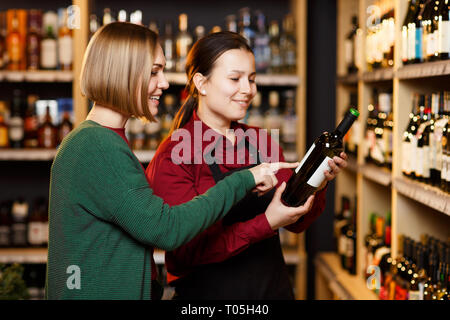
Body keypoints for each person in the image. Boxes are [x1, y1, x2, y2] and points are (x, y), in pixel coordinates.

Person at [45, 23, 307, 300]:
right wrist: (246, 179)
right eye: (154, 72)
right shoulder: (95, 145)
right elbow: (167, 229)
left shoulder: (105, 140)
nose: (165, 82)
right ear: (123, 72)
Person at [146, 31, 348, 299]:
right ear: (201, 82)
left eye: (251, 79)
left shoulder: (260, 142)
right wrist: (266, 222)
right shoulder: (174, 154)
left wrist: (317, 181)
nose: (248, 90)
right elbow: (186, 252)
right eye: (235, 79)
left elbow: (297, 222)